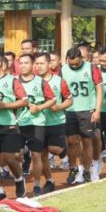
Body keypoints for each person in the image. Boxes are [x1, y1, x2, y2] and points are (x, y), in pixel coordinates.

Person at [0, 52, 28, 203]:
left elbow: (24, 101)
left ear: (0, 64)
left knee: (10, 157)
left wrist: (6, 105)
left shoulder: (12, 81)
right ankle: (0, 192)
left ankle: (19, 178)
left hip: (8, 123)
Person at [62, 47, 103, 184]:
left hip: (87, 110)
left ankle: (86, 170)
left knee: (87, 141)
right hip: (70, 110)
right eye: (71, 63)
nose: (73, 66)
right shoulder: (63, 70)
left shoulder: (91, 68)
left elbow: (99, 89)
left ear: (82, 59)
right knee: (72, 141)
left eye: (76, 64)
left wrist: (97, 110)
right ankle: (75, 168)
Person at [17, 53, 56, 196]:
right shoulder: (14, 81)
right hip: (18, 123)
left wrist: (39, 108)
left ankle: (36, 185)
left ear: (33, 65)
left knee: (36, 155)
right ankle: (19, 181)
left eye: (26, 63)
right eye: (21, 63)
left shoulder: (40, 82)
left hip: (36, 123)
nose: (23, 66)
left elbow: (52, 99)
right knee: (15, 155)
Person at [36, 52, 72, 187]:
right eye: (37, 64)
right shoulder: (31, 80)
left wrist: (59, 106)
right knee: (41, 154)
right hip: (38, 122)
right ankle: (49, 180)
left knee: (54, 149)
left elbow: (69, 100)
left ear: (49, 64)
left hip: (56, 121)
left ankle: (64, 151)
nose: (38, 66)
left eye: (41, 63)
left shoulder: (59, 81)